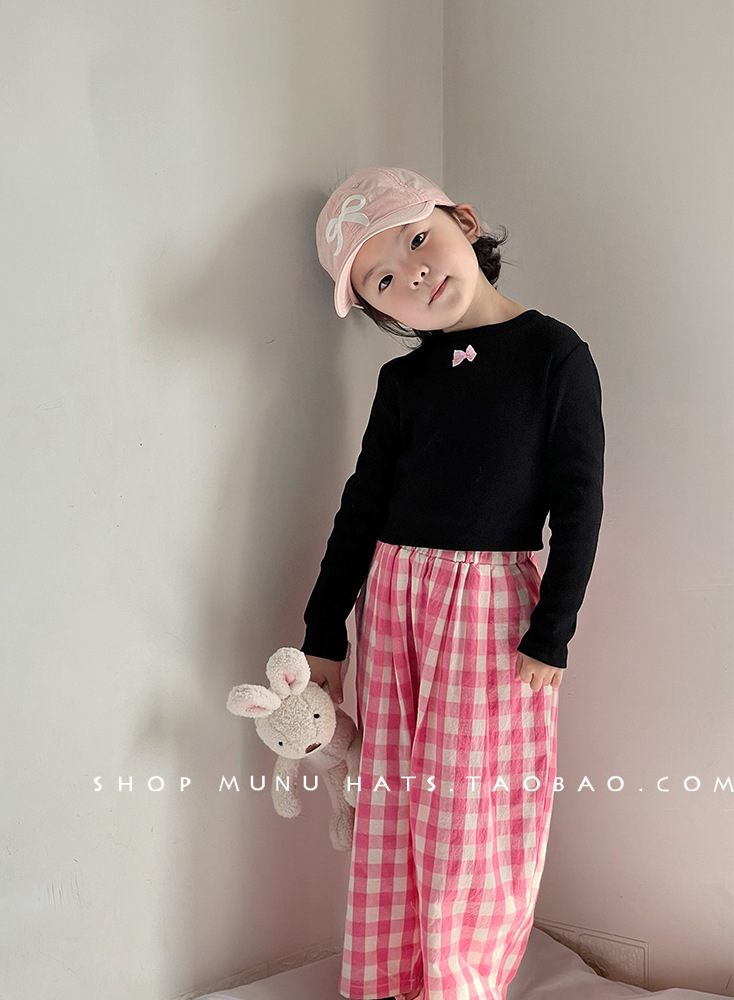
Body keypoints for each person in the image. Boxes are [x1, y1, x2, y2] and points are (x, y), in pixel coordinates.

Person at [299, 167, 605, 1000]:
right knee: (395, 798)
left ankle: (459, 981)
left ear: (463, 222)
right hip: (393, 602)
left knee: (471, 809)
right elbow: (361, 508)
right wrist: (324, 634)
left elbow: (580, 503)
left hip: (490, 611)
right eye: (382, 282)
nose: (413, 275)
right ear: (380, 312)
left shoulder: (554, 355)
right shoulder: (403, 383)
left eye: (417, 240)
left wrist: (553, 632)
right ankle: (390, 977)